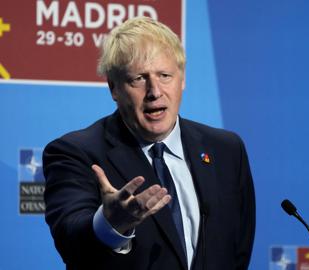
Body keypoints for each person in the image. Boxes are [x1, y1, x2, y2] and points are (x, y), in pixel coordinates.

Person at [43, 17, 255, 270]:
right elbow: (71, 240)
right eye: (138, 79)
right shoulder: (76, 153)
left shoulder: (226, 149)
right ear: (114, 88)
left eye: (165, 75)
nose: (155, 91)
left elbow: (238, 250)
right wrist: (111, 224)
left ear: (182, 79)